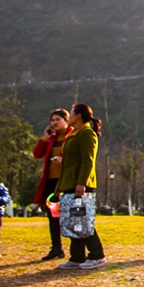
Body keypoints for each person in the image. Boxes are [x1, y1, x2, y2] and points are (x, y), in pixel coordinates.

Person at [55, 103, 107, 269]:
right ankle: (77, 256)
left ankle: (97, 254)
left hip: (80, 183)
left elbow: (88, 160)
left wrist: (81, 183)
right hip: (69, 181)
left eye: (70, 113)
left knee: (83, 220)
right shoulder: (73, 134)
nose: (68, 116)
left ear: (78, 116)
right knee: (73, 219)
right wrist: (60, 185)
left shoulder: (86, 133)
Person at [32, 108, 73, 260]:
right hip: (50, 181)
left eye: (58, 119)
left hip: (66, 181)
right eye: (52, 120)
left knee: (69, 215)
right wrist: (44, 139)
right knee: (53, 215)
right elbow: (37, 154)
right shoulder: (51, 138)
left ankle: (77, 248)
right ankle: (57, 247)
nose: (54, 123)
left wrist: (65, 161)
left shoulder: (72, 136)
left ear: (66, 120)